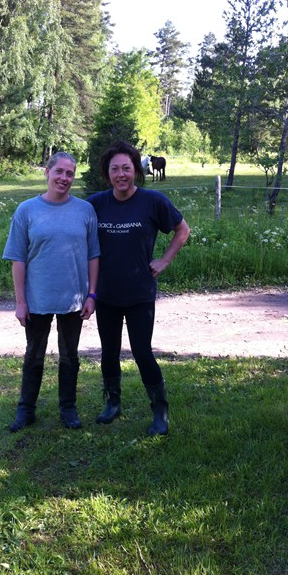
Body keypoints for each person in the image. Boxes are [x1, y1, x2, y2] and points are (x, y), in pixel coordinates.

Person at [87, 141, 190, 436]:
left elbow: (182, 230)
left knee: (142, 352)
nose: (121, 174)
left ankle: (160, 410)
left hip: (139, 293)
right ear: (107, 173)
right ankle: (112, 403)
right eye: (115, 169)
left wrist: (164, 261)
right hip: (106, 293)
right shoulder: (95, 204)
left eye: (126, 168)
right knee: (109, 352)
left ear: (136, 170)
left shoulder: (153, 201)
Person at [3, 152, 100, 431]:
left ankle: (68, 409)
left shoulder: (85, 210)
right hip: (37, 299)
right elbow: (18, 259)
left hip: (74, 300)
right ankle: (26, 411)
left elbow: (93, 255)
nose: (64, 178)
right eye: (59, 171)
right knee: (34, 355)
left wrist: (92, 295)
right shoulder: (27, 210)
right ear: (47, 172)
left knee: (70, 356)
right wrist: (20, 302)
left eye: (70, 174)